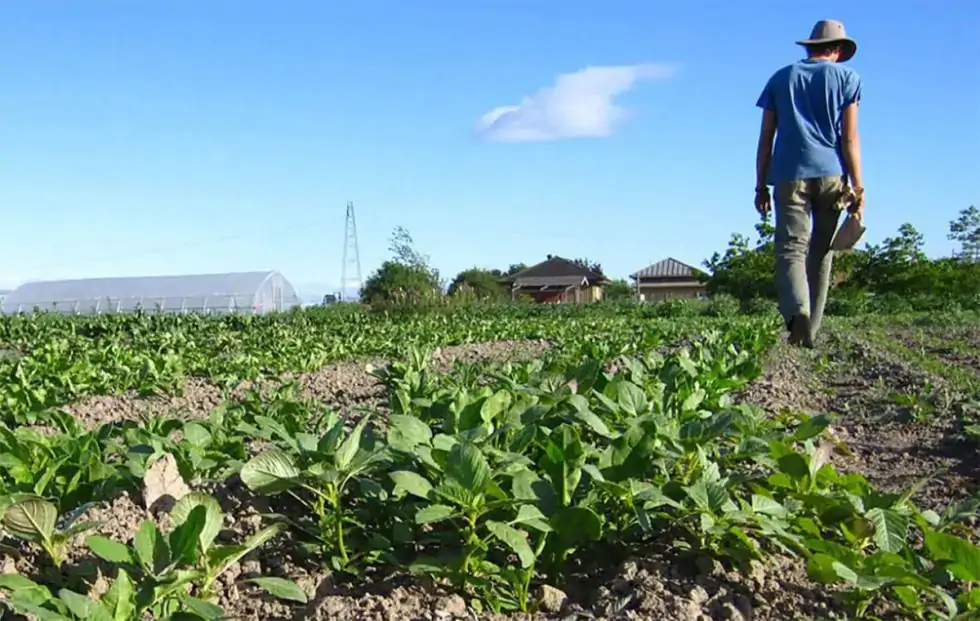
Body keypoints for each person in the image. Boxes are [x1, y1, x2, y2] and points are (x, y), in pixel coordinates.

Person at [754, 19, 865, 349]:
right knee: (821, 253)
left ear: (810, 47)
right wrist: (858, 186)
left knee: (790, 249)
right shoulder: (848, 78)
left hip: (788, 173)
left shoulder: (780, 78)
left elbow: (765, 139)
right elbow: (849, 138)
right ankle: (811, 332)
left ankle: (796, 313)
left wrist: (760, 186)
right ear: (837, 50)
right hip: (831, 174)